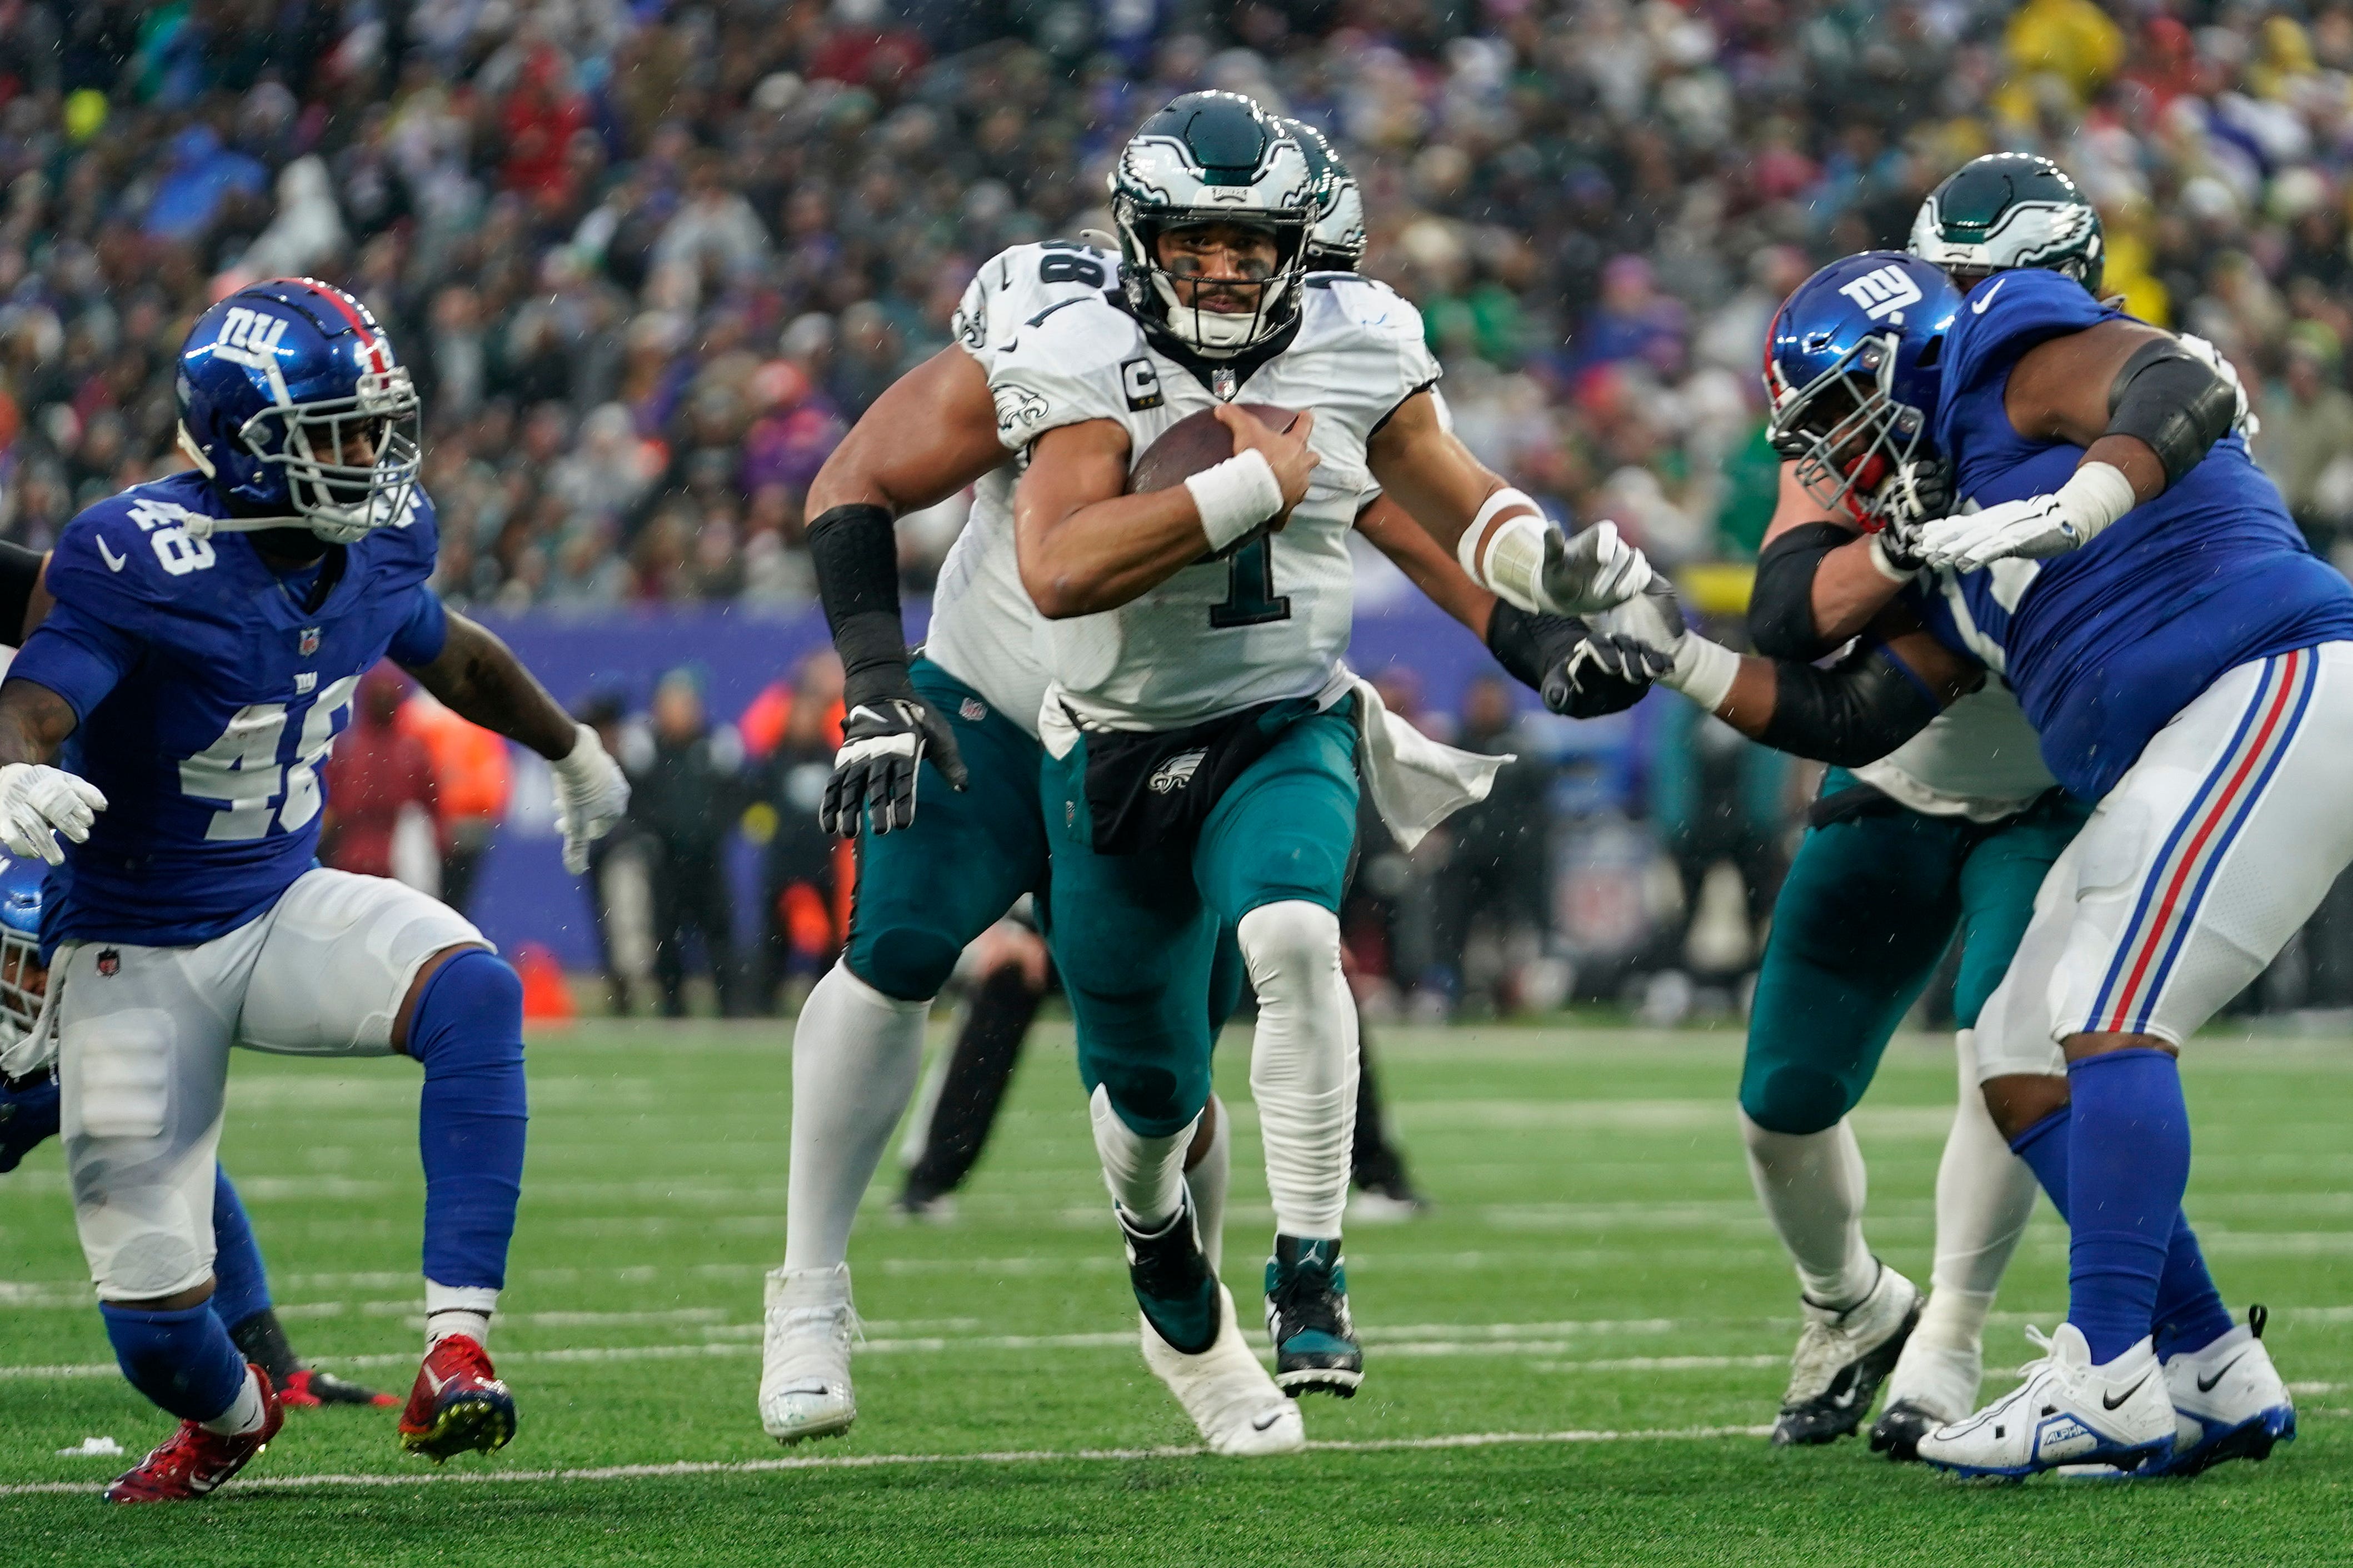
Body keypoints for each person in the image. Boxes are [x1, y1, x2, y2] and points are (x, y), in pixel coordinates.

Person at [762, 100, 1648, 1457]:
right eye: (1204, 243)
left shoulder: (1352, 349)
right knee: (897, 947)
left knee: (1174, 1079)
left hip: (1220, 718)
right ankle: (810, 1292)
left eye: (1282, 251)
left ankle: (1206, 1325)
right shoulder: (1065, 329)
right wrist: (875, 676)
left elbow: (1409, 504)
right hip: (1011, 696)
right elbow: (882, 486)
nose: (1245, 277)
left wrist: (1535, 621)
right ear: (1143, 243)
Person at [1586, 246, 2341, 1480]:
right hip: (2192, 742)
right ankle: (2206, 1359)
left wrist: (2076, 504)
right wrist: (1671, 651)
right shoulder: (1944, 530)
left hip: (2274, 680)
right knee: (2011, 1044)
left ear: (1906, 365)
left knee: (2100, 1004)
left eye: (1837, 416)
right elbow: (1841, 718)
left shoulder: (2009, 357)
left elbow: (2174, 384)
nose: (1826, 456)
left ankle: (2101, 1376)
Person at [0, 278, 630, 1502]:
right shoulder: (141, 551)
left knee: (474, 991)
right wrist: (10, 770)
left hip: (279, 904)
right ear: (242, 442)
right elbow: (36, 696)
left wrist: (568, 747)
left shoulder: (381, 535)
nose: (368, 455)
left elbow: (451, 651)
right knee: (157, 1331)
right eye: (333, 431)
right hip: (130, 953)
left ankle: (456, 1345)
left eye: (371, 423)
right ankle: (232, 1420)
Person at [1731, 154, 2117, 1455]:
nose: (1966, 316)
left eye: (1991, 287)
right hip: (1892, 782)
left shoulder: (2107, 417)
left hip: (2051, 795)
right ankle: (1851, 1306)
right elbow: (1784, 617)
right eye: (1950, 285)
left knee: (2001, 1050)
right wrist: (1906, 542)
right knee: (1781, 1100)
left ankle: (1948, 1340)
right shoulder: (1875, 407)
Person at [0, 855, 396, 1409]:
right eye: (29, 963)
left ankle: (271, 1365)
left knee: (175, 1164)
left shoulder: (94, 1039)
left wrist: (270, 1359)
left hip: (55, 1083)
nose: (52, 981)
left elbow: (200, 1192)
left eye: (60, 960)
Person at [628, 667, 745, 1016]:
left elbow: (734, 796)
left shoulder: (717, 745)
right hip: (665, 860)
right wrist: (657, 834)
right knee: (665, 935)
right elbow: (636, 802)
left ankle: (732, 1008)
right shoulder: (646, 750)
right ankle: (672, 1007)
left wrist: (713, 831)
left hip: (708, 859)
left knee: (720, 935)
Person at [320, 665, 441, 886]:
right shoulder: (350, 748)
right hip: (354, 855)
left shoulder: (409, 751)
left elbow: (431, 804)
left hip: (396, 856)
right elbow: (329, 801)